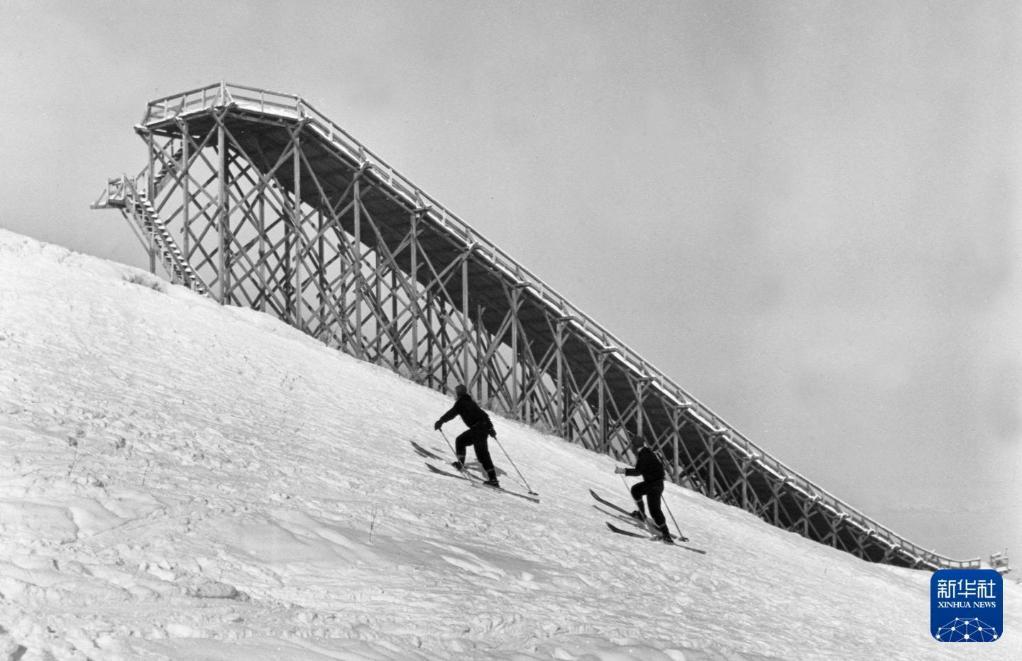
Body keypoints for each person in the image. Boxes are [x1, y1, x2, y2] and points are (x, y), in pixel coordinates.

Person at [434, 384, 499, 487]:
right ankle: (461, 464)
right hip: (482, 428)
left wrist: (441, 421)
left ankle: (493, 479)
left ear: (458, 393)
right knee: (461, 441)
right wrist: (491, 429)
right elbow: (484, 415)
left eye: (456, 393)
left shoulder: (461, 403)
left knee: (482, 454)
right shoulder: (470, 401)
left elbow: (451, 413)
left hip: (478, 429)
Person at [615, 436, 674, 544]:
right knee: (636, 490)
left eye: (632, 446)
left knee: (654, 510)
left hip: (653, 485)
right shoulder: (647, 452)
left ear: (635, 446)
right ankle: (642, 515)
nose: (631, 448)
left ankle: (666, 535)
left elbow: (638, 471)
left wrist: (623, 471)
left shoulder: (643, 456)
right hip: (655, 483)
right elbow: (658, 467)